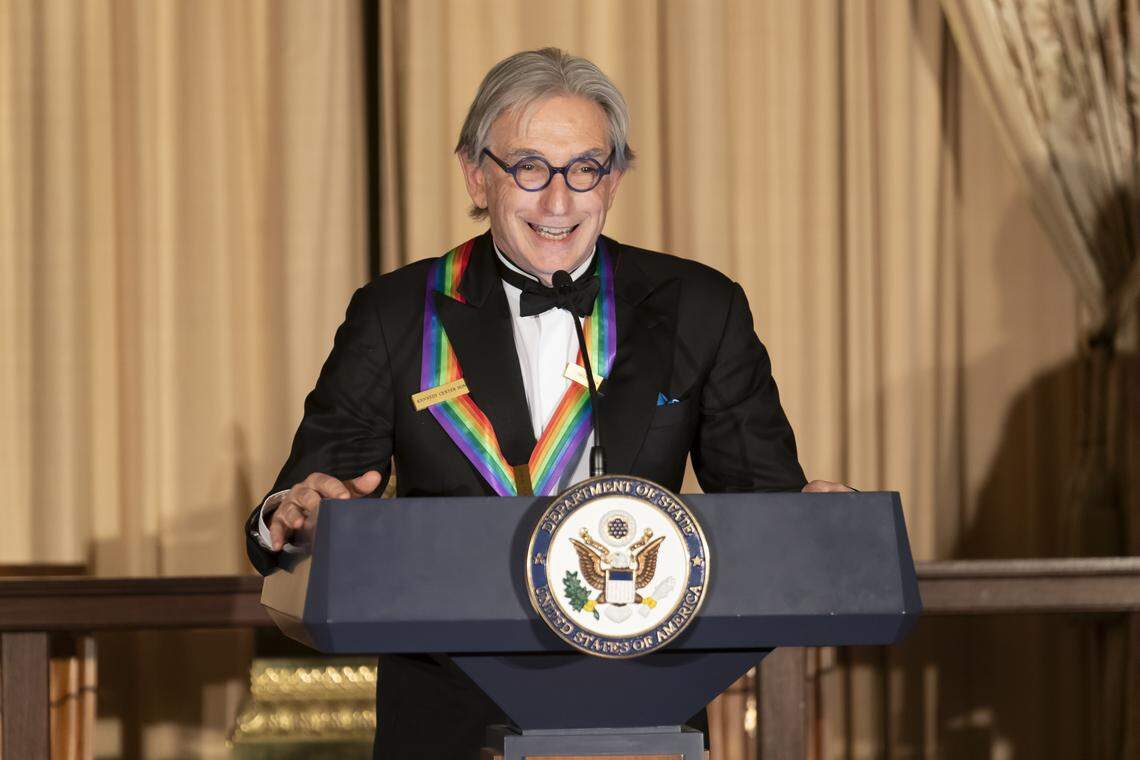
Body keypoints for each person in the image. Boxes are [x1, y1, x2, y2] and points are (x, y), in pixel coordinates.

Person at [244, 47, 850, 759]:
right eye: (530, 168)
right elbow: (307, 501)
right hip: (447, 720)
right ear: (477, 173)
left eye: (585, 169)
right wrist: (297, 514)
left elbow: (761, 504)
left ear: (614, 179)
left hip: (645, 709)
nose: (558, 201)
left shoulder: (699, 307)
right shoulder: (396, 312)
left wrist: (809, 519)